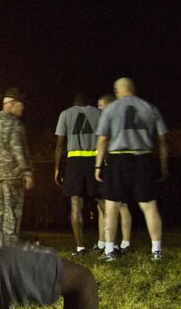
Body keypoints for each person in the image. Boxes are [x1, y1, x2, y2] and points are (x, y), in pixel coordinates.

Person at [95, 78, 168, 261]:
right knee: (149, 206)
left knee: (111, 206)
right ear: (132, 89)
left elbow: (102, 139)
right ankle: (156, 251)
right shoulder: (150, 108)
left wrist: (98, 165)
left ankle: (110, 251)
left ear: (117, 91)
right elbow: (162, 140)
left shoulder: (110, 109)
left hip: (118, 159)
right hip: (142, 158)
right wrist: (163, 166)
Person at [0, 88, 33, 239]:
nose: (22, 108)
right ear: (12, 104)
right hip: (13, 176)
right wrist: (27, 173)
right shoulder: (15, 124)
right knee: (12, 210)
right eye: (20, 104)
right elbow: (18, 150)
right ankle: (9, 244)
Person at [53, 93, 102, 255]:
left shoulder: (65, 114)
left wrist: (57, 168)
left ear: (73, 102)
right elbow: (104, 138)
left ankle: (80, 247)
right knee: (103, 203)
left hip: (74, 160)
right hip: (94, 159)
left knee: (76, 204)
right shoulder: (97, 113)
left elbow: (60, 144)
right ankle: (109, 244)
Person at [96, 94, 133, 253]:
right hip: (115, 163)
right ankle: (105, 242)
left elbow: (103, 141)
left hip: (115, 163)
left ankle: (122, 242)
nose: (98, 108)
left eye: (101, 105)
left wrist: (99, 165)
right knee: (103, 205)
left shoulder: (111, 119)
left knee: (120, 205)